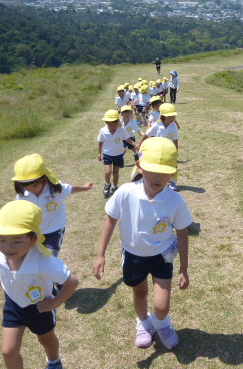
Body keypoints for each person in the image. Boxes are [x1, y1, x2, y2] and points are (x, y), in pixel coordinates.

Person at [93, 137, 192, 350]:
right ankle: (144, 323)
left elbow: (182, 233)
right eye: (151, 170)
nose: (157, 176)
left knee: (161, 305)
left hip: (162, 257)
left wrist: (184, 268)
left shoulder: (175, 200)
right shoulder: (126, 192)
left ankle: (162, 323)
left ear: (172, 172)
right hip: (133, 256)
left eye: (163, 171)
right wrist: (101, 254)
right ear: (140, 166)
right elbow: (111, 219)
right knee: (139, 293)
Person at [0, 200, 79, 369]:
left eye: (17, 241)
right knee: (8, 351)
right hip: (13, 303)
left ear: (34, 238)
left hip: (39, 307)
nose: (8, 247)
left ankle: (54, 361)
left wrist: (54, 303)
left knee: (45, 338)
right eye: (3, 239)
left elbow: (72, 282)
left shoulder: (44, 262)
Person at [12, 154, 93, 257]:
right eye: (26, 186)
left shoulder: (56, 189)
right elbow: (18, 209)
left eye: (35, 185)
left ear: (44, 178)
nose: (30, 189)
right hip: (33, 231)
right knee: (32, 258)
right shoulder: (23, 194)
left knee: (49, 258)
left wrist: (85, 188)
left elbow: (72, 189)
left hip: (54, 230)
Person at [98, 109, 137, 198]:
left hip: (118, 155)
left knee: (116, 172)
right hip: (107, 154)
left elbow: (128, 139)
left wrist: (135, 145)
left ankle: (115, 187)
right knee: (108, 172)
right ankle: (107, 185)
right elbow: (100, 142)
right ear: (106, 123)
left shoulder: (121, 130)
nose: (111, 126)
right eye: (109, 124)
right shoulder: (103, 131)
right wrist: (99, 154)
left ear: (118, 122)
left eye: (113, 124)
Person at [142, 103, 180, 191]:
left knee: (173, 166)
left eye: (173, 116)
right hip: (157, 151)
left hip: (169, 151)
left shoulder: (173, 127)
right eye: (170, 116)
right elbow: (147, 134)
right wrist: (140, 144)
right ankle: (155, 181)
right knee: (157, 167)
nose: (173, 118)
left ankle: (172, 182)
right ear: (163, 116)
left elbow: (175, 140)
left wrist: (176, 151)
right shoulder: (157, 125)